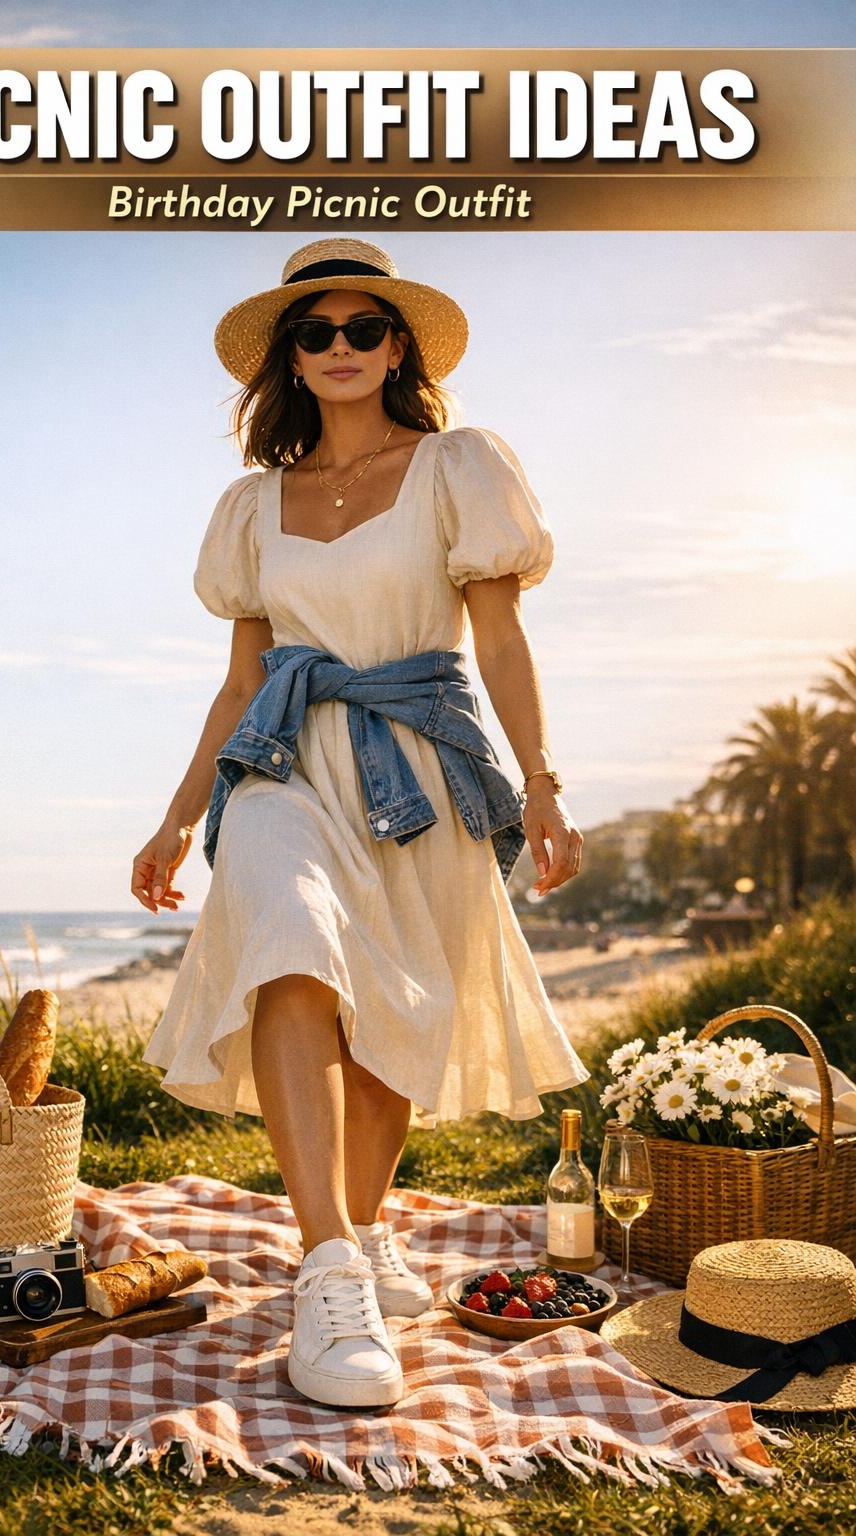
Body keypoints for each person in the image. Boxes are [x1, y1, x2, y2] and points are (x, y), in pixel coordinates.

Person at [131, 237, 590, 1410]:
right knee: (290, 946)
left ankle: (364, 1230)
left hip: (422, 767)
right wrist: (179, 821)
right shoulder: (250, 506)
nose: (339, 348)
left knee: (394, 1006)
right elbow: (241, 686)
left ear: (400, 348)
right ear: (288, 355)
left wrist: (540, 779)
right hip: (284, 764)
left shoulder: (457, 465)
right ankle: (328, 1267)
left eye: (362, 328)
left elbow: (496, 639)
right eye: (314, 331)